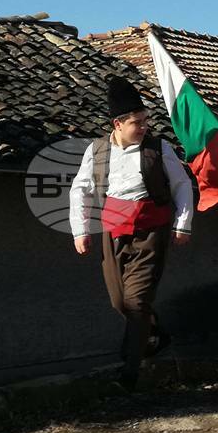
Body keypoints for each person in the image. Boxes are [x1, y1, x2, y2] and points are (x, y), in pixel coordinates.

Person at [69, 76, 193, 389]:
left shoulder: (159, 149)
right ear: (118, 124)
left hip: (150, 232)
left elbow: (181, 185)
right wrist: (80, 231)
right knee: (119, 301)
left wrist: (182, 224)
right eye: (137, 123)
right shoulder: (97, 151)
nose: (144, 127)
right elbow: (80, 190)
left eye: (145, 121)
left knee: (136, 302)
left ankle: (129, 372)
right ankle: (155, 332)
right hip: (113, 232)